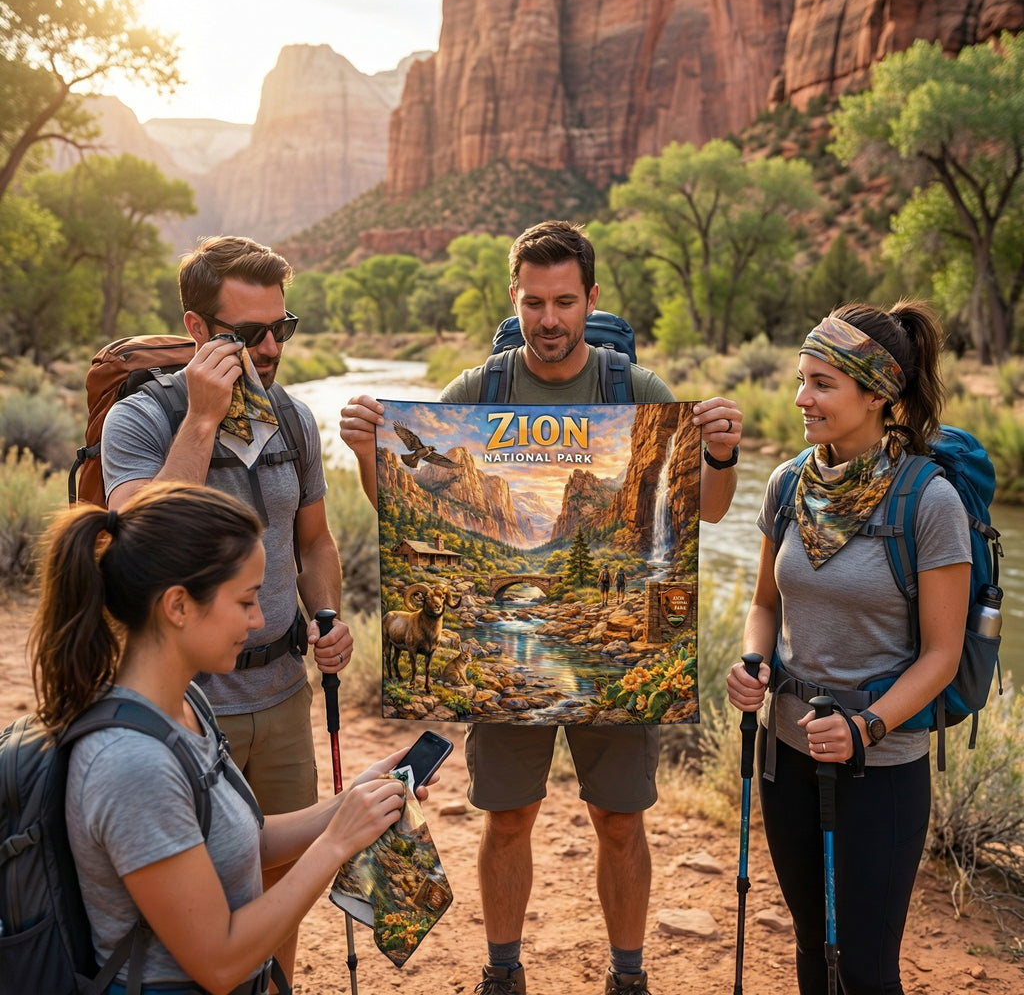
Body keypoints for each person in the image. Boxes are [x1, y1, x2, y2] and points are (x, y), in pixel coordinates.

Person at [339, 220, 743, 995]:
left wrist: (720, 452)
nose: (548, 319)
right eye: (533, 302)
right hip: (503, 668)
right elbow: (400, 510)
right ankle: (503, 972)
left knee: (619, 820)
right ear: (514, 298)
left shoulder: (638, 392)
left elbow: (713, 511)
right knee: (509, 817)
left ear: (591, 299)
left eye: (564, 302)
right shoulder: (475, 393)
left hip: (616, 675)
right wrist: (368, 453)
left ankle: (628, 976)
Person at [30, 483, 428, 994]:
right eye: (245, 600)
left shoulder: (187, 705)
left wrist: (354, 802)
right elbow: (218, 964)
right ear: (177, 605)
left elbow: (245, 841)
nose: (259, 620)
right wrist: (336, 844)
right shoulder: (131, 763)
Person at [101, 235, 350, 983]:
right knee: (193, 894)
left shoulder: (293, 419)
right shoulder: (140, 421)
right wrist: (202, 420)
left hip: (282, 693)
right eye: (250, 333)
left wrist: (326, 616)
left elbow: (315, 541)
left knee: (278, 880)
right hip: (185, 703)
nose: (271, 348)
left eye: (283, 327)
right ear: (198, 328)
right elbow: (139, 542)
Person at [726, 302, 971, 995]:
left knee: (864, 968)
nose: (801, 399)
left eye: (822, 384)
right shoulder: (787, 485)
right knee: (813, 947)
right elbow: (764, 605)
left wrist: (864, 728)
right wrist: (753, 662)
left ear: (877, 395)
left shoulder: (929, 502)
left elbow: (942, 655)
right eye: (800, 380)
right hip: (785, 755)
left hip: (880, 767)